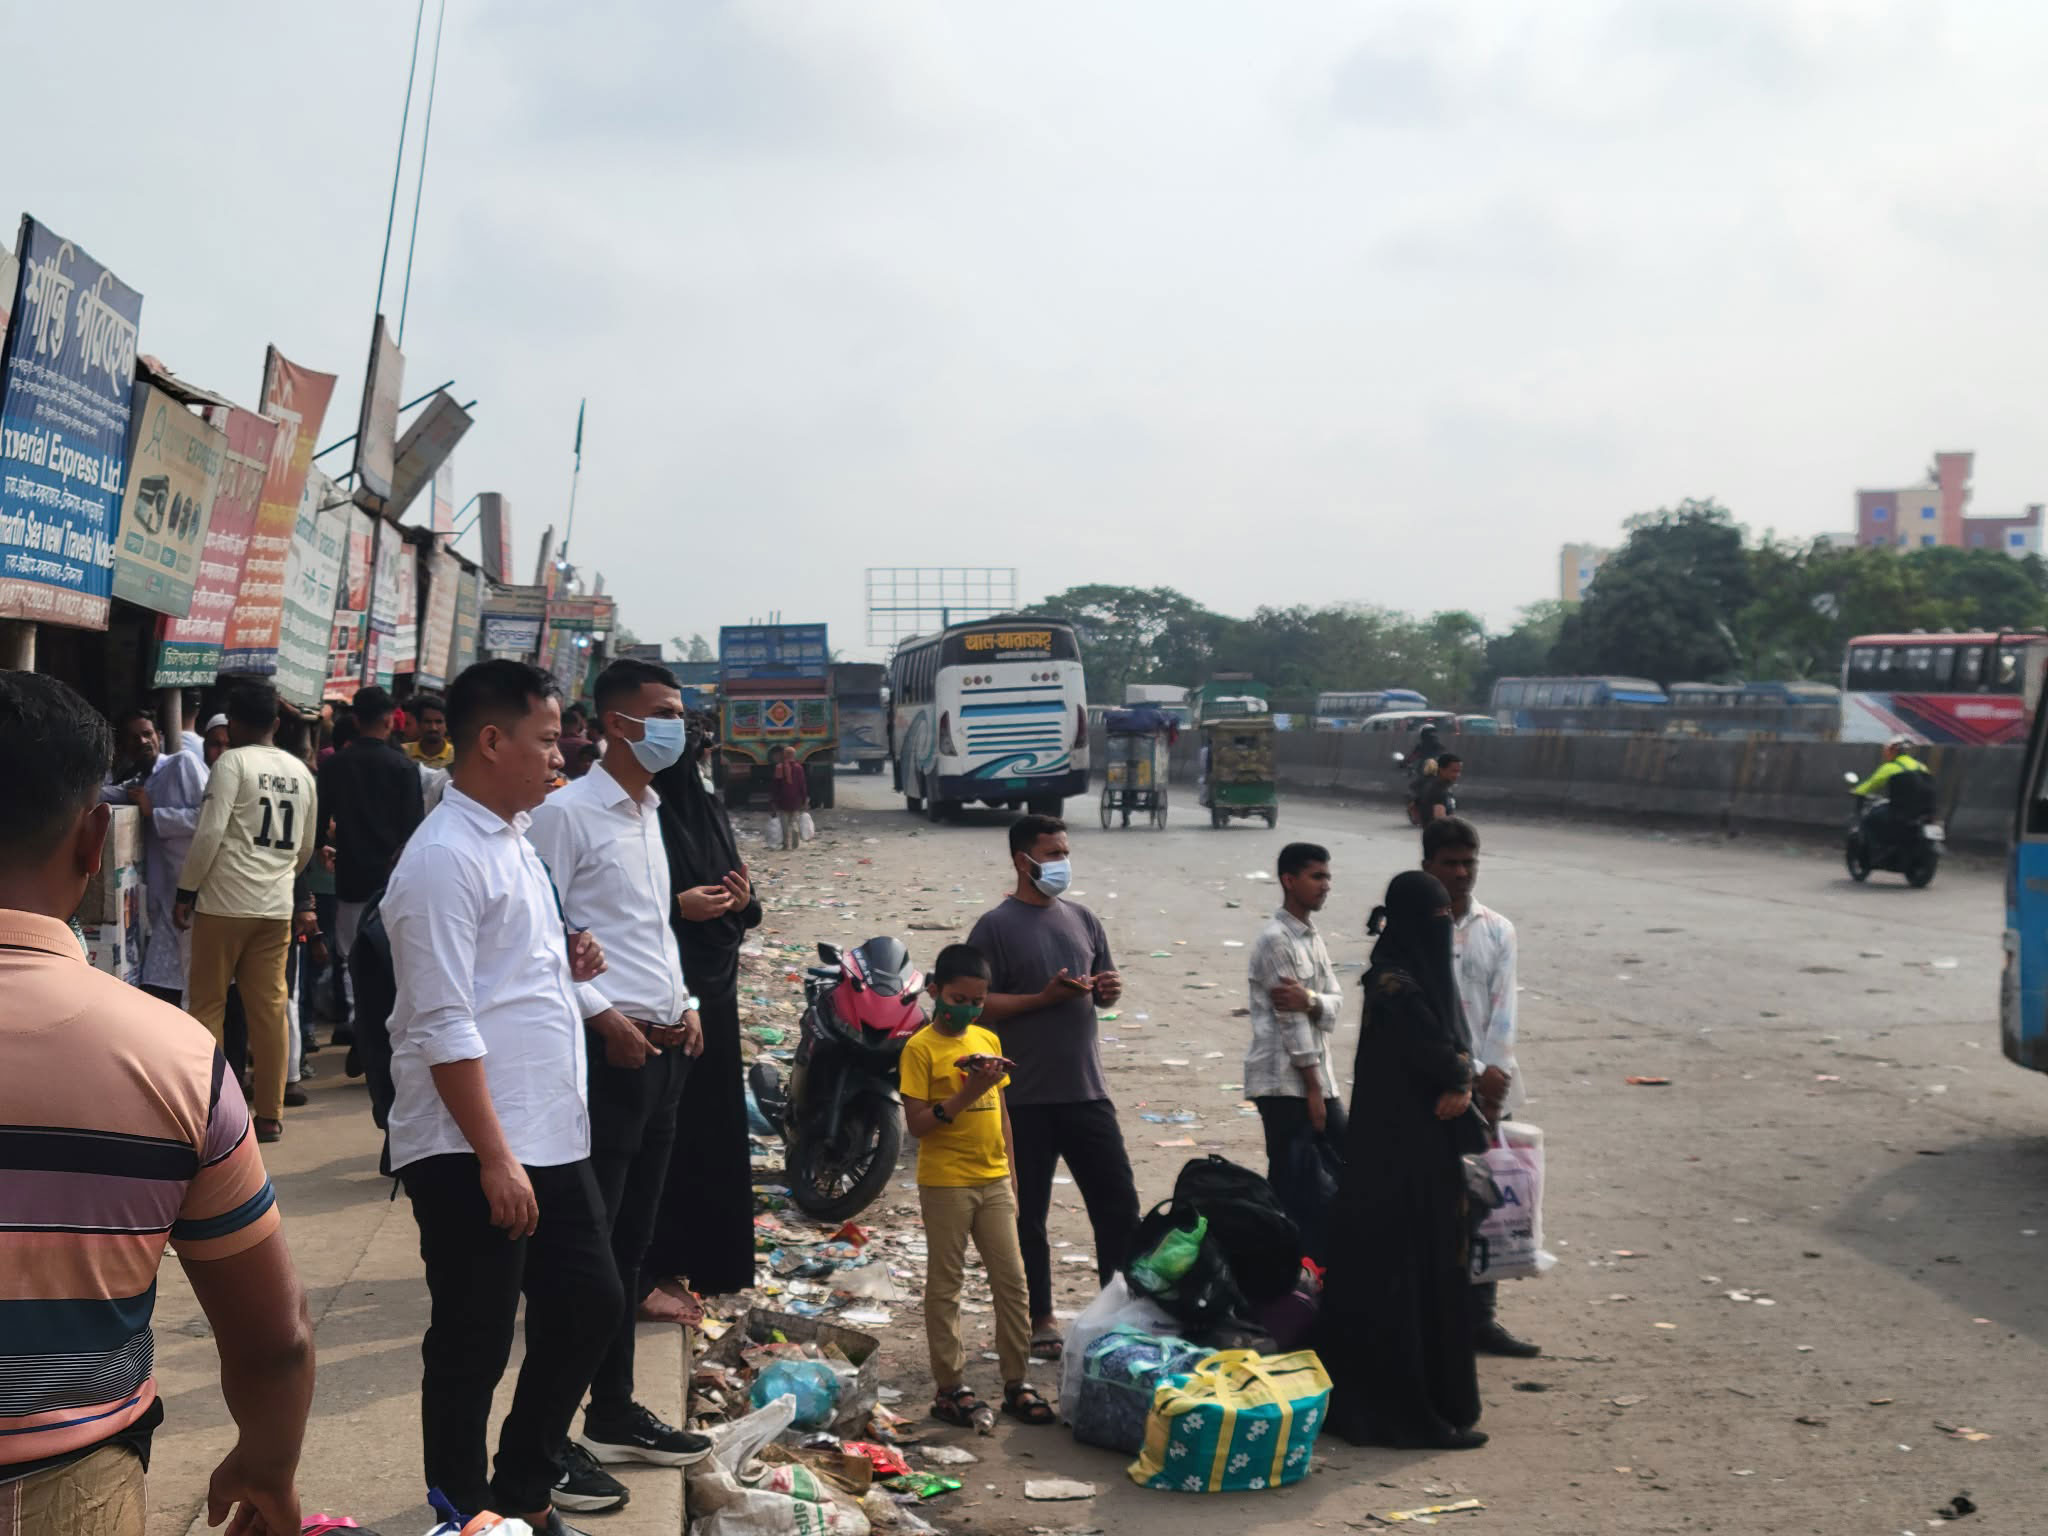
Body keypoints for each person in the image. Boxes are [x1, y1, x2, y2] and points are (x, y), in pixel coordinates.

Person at [0, 671, 313, 1535]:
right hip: (70, 1485)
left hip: (221, 904)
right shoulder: (173, 1060)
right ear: (94, 837)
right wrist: (267, 1462)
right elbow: (275, 1338)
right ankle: (275, 1098)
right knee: (265, 1006)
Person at [381, 659, 619, 1534]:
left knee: (590, 1304)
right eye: (548, 739)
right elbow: (442, 1022)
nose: (561, 755)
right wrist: (493, 1156)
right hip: (472, 1143)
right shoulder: (441, 859)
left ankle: (521, 1487)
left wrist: (572, 957)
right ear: (491, 741)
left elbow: (511, 970)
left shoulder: (513, 838)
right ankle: (464, 1511)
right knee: (472, 1339)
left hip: (546, 1132)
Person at [526, 660, 711, 1511]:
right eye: (663, 711)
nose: (679, 725)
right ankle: (547, 1438)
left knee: (631, 1247)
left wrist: (688, 1001)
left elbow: (647, 930)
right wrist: (605, 1017)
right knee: (584, 1257)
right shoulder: (566, 814)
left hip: (664, 1050)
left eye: (680, 711)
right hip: (611, 1056)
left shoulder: (651, 810)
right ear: (615, 723)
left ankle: (613, 1409)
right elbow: (543, 941)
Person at [1320, 870, 1487, 1451]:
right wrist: (1460, 1077)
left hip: (1421, 1158)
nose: (1443, 929)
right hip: (1396, 1164)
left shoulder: (1411, 980)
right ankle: (1408, 1414)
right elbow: (1441, 1054)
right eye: (1435, 919)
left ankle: (1442, 1402)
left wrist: (1460, 1078)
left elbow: (1455, 1050)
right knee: (1403, 1280)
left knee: (1431, 1273)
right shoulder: (1395, 987)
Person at [969, 814, 1137, 1359]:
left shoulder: (1083, 919)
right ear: (1023, 861)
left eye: (1065, 851)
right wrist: (1042, 999)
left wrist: (1107, 990)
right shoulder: (995, 927)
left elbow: (1104, 990)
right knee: (1027, 1216)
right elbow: (974, 1005)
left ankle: (1118, 1313)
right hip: (1024, 1097)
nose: (1063, 861)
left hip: (1086, 1091)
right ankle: (1040, 1317)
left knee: (1118, 1207)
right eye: (1052, 853)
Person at [642, 715, 762, 1311]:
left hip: (715, 995)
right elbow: (617, 911)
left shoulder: (709, 810)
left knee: (710, 1129)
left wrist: (741, 901)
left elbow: (749, 903)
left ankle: (705, 1260)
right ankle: (655, 1264)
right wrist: (676, 907)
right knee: (666, 1133)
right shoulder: (640, 817)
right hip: (661, 992)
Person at [901, 945, 1048, 1427]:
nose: (967, 1009)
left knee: (1013, 1284)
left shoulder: (987, 1038)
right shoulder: (920, 1049)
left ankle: (1016, 1382)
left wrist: (1012, 1176)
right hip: (946, 1183)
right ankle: (950, 1387)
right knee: (947, 1286)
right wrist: (968, 1092)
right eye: (958, 999)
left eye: (977, 1001)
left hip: (994, 1179)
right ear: (935, 992)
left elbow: (1002, 1117)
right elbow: (918, 1125)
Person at [177, 682, 318, 1143]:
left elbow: (208, 834)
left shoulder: (231, 764)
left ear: (232, 723)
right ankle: (271, 1114)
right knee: (270, 1009)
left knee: (208, 1006)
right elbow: (305, 848)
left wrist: (186, 891)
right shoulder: (300, 772)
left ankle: (211, 1109)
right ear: (276, 724)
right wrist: (279, 877)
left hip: (223, 904)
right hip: (274, 908)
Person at [1420, 817, 1539, 1358]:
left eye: (1469, 863)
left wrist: (1491, 1083)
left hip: (1486, 1089)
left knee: (1484, 1206)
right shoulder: (1413, 926)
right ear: (1428, 866)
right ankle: (1434, 1318)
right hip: (1432, 1088)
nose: (1462, 873)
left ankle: (1480, 1319)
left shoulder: (1497, 930)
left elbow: (1502, 1010)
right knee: (1432, 1208)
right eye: (1450, 863)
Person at [1244, 841, 1346, 1263]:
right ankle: (1289, 1272)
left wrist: (1311, 1000)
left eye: (1327, 876)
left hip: (1317, 1080)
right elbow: (1292, 1024)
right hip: (1287, 1084)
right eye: (1316, 876)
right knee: (1294, 1187)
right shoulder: (1276, 941)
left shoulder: (1311, 938)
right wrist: (1314, 1090)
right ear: (1289, 880)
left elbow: (1334, 1002)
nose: (1326, 885)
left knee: (1332, 1175)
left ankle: (1313, 1267)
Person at [318, 685, 426, 979]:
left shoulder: (336, 765)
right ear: (390, 720)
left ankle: (350, 1007)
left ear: (355, 720)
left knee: (348, 954)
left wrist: (320, 846)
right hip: (392, 880)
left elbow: (319, 818)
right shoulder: (404, 767)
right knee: (388, 956)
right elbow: (415, 831)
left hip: (349, 875)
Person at [102, 709, 210, 1004]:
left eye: (147, 734)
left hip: (194, 894)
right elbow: (101, 795)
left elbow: (208, 818)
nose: (143, 741)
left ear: (159, 737)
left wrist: (156, 813)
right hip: (165, 903)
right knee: (163, 985)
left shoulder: (182, 763)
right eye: (133, 738)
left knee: (191, 986)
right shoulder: (141, 783)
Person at [1852, 736, 1933, 849]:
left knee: (1870, 818)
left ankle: (1875, 848)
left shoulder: (1891, 767)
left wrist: (1856, 791)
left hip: (1900, 811)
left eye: (1887, 750)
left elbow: (1871, 784)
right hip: (1924, 811)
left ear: (1893, 751)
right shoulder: (1922, 767)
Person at [770, 743, 808, 849]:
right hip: (795, 800)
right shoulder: (799, 768)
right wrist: (804, 799)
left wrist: (773, 801)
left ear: (784, 755)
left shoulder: (779, 767)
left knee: (784, 824)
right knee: (794, 822)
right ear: (793, 755)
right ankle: (795, 844)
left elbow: (776, 786)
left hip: (783, 800)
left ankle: (786, 845)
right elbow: (802, 785)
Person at [405, 690, 455, 769]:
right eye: (427, 722)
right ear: (419, 724)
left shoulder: (457, 757)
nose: (433, 727)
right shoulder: (403, 752)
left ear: (446, 724)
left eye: (438, 722)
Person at [1417, 753, 1463, 822]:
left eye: (1459, 771)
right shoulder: (1438, 790)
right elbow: (1440, 820)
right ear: (1441, 770)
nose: (1457, 775)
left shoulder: (1442, 788)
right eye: (1454, 771)